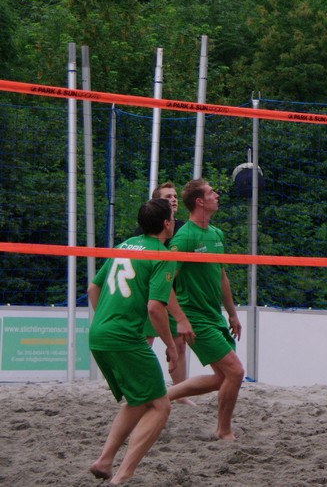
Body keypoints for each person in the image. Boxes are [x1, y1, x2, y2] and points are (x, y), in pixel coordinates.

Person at [87, 198, 180, 484]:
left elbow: (93, 289)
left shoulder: (125, 245)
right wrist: (171, 346)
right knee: (161, 406)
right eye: (173, 217)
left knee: (140, 401)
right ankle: (123, 475)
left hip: (99, 333)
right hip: (124, 337)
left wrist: (106, 319)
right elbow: (155, 308)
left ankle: (104, 461)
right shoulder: (163, 254)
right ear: (167, 224)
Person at [165, 178, 245, 440]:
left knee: (223, 377)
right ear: (199, 201)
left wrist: (232, 313)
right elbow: (164, 283)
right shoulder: (184, 237)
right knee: (235, 371)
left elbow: (221, 277)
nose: (217, 195)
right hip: (195, 317)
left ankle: (161, 397)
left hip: (214, 315)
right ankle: (224, 430)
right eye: (211, 193)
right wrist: (181, 319)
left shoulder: (216, 234)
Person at [138, 181, 194, 399]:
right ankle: (142, 390)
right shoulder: (145, 232)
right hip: (151, 295)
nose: (173, 199)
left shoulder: (183, 229)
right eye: (167, 197)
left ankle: (180, 395)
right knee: (145, 343)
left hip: (173, 295)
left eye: (175, 196)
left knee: (179, 344)